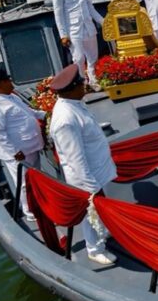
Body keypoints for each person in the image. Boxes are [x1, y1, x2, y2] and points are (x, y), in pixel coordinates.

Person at [48, 64, 117, 265]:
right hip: (87, 177)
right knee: (90, 211)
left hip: (96, 169)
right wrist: (91, 188)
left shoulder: (74, 104)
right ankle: (94, 249)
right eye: (80, 84)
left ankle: (103, 233)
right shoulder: (65, 119)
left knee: (97, 210)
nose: (84, 86)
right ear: (70, 89)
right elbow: (74, 159)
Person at [0, 67, 45, 222]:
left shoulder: (11, 97)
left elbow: (30, 112)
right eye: (7, 81)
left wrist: (47, 114)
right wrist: (14, 151)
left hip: (31, 147)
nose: (11, 83)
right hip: (19, 152)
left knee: (36, 178)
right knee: (23, 183)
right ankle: (30, 212)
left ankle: (39, 204)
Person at [52, 0, 105, 89]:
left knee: (93, 58)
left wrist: (104, 22)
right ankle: (83, 83)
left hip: (88, 28)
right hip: (73, 30)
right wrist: (63, 35)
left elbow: (90, 8)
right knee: (79, 59)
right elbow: (58, 14)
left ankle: (93, 81)